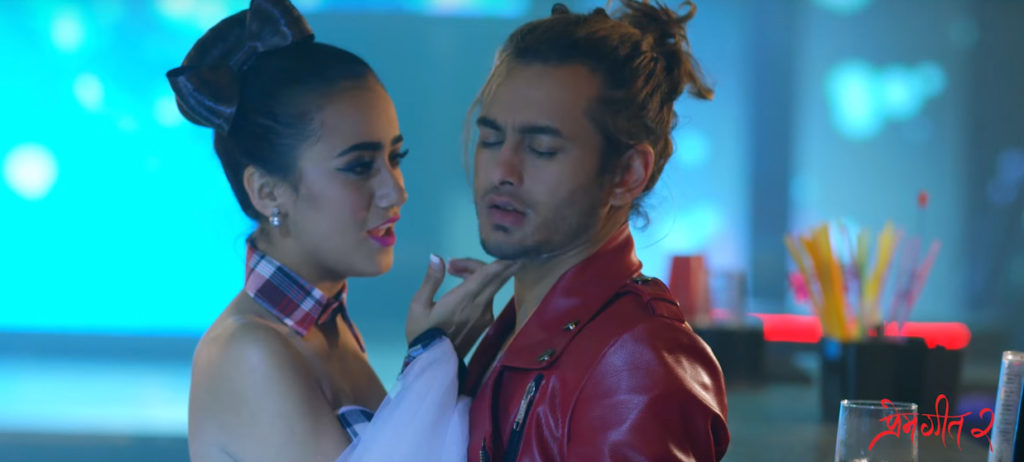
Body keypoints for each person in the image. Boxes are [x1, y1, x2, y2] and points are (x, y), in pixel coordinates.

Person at [167, 1, 514, 460]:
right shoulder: (249, 350)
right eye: (359, 167)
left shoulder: (326, 327)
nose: (395, 192)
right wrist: (431, 359)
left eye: (395, 158)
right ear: (267, 192)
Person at [462, 1, 730, 460]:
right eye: (490, 139)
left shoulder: (638, 364)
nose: (501, 171)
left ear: (627, 173)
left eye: (541, 149)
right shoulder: (510, 328)